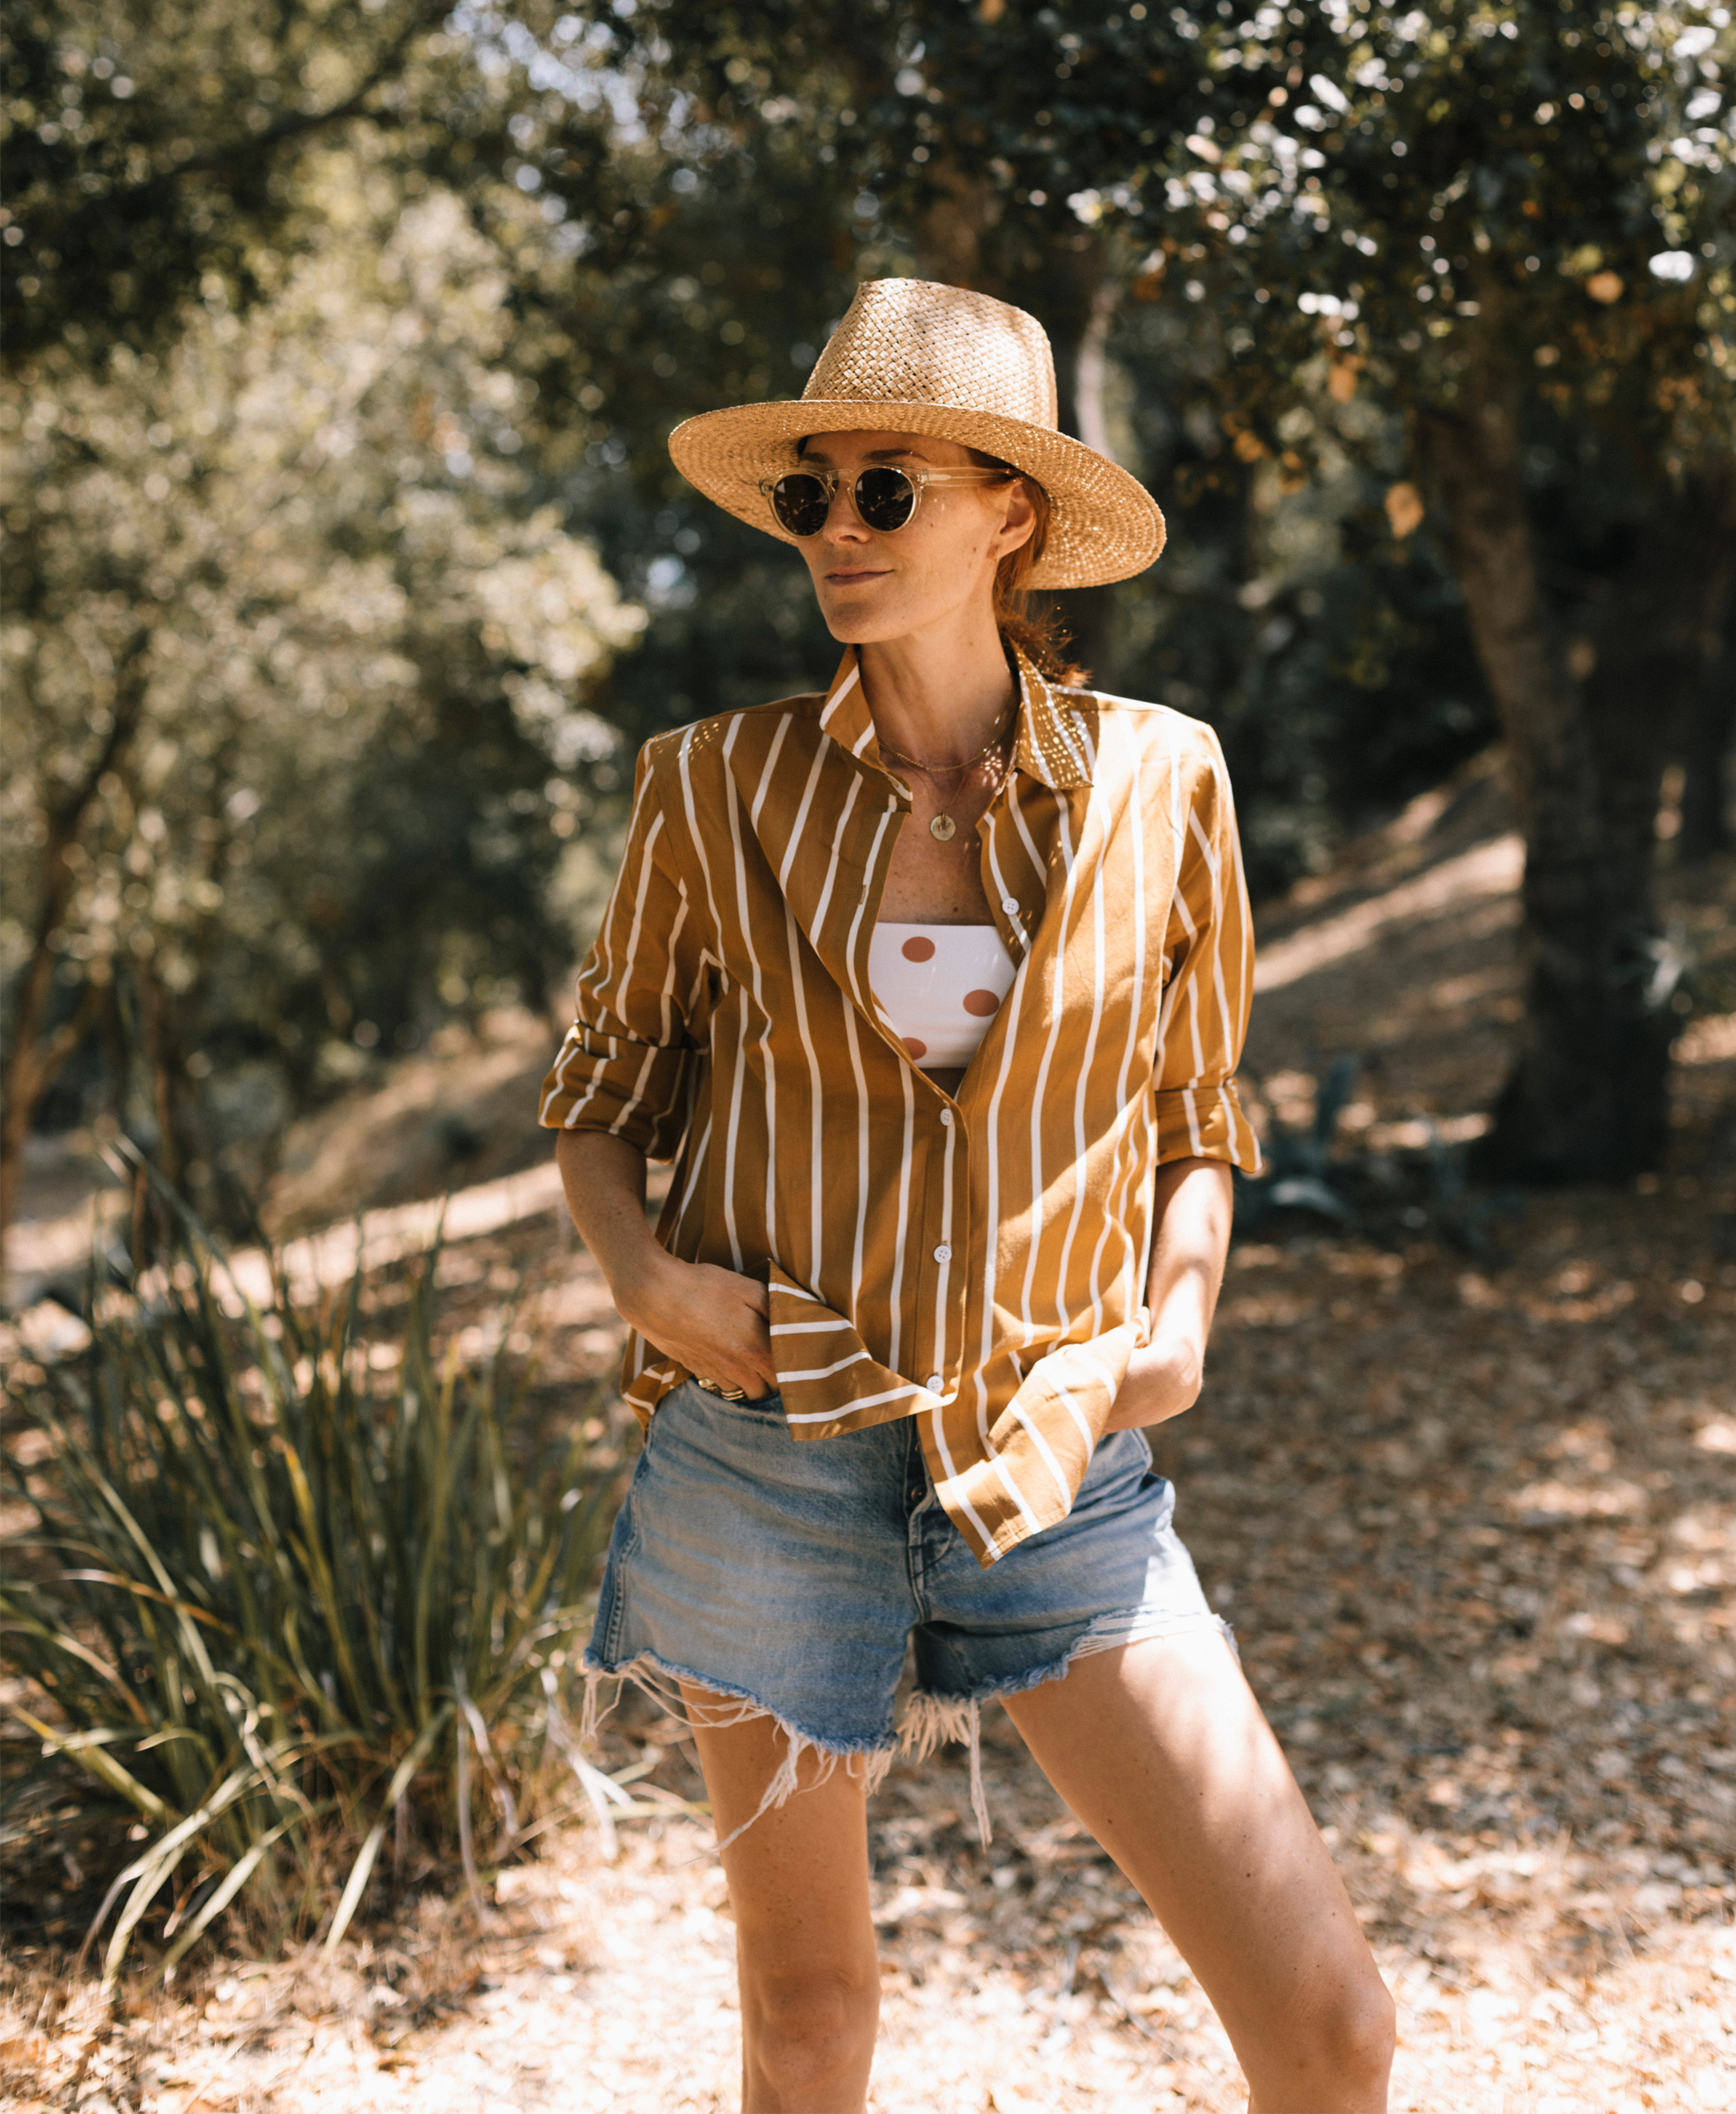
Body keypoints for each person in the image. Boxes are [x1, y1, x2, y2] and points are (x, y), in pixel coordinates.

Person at [543, 277, 1395, 2113]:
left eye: (885, 490)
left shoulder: (1162, 783)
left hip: (1059, 1464)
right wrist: (651, 1289)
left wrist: (1174, 1326)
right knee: (808, 2022)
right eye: (811, 494)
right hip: (767, 1460)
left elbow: (1193, 1105)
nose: (836, 533)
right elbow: (601, 1095)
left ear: (1010, 512)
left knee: (1327, 2034)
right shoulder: (709, 790)